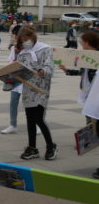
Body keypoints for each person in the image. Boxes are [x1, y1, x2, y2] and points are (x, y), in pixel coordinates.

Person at [59, 30, 99, 177]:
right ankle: (90, 140)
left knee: (94, 125)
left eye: (82, 41)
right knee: (91, 124)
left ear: (88, 42)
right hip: (89, 97)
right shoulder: (86, 57)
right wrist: (67, 71)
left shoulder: (96, 58)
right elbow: (82, 74)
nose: (81, 43)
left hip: (96, 98)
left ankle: (91, 140)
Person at [15, 28, 57, 160]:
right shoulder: (22, 54)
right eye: (22, 40)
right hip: (28, 89)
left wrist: (42, 71)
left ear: (33, 37)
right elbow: (20, 69)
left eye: (26, 39)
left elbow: (49, 66)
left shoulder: (45, 49)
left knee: (38, 118)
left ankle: (51, 146)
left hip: (41, 89)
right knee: (30, 120)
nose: (25, 42)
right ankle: (32, 148)